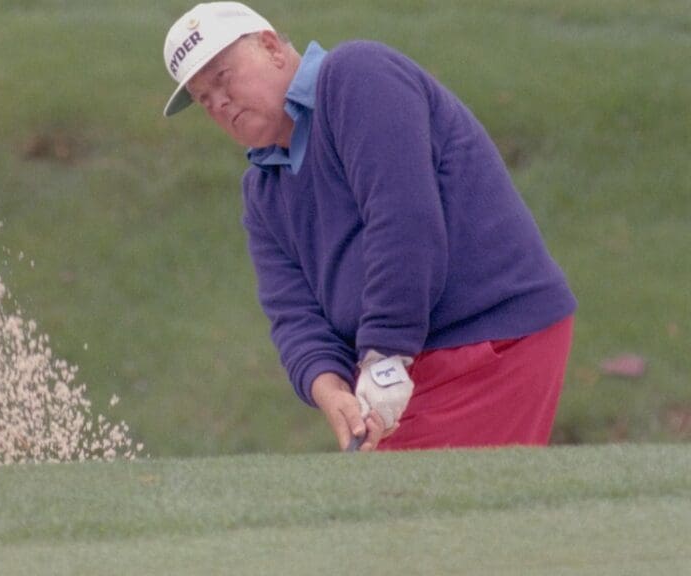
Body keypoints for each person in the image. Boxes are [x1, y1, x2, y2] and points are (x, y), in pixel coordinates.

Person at [161, 2, 577, 452]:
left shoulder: (356, 76)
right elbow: (293, 313)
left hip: (488, 336)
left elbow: (404, 220)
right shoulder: (262, 191)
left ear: (270, 47)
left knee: (418, 516)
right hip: (407, 359)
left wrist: (382, 355)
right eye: (204, 99)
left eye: (223, 77)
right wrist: (331, 390)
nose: (219, 102)